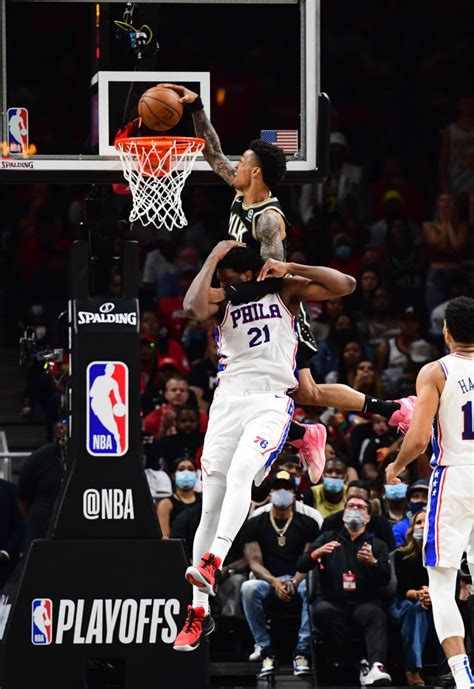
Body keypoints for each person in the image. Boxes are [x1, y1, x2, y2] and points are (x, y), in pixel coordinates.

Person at [160, 83, 413, 459]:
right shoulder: (240, 191)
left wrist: (224, 296)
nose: (237, 165)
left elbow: (274, 278)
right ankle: (381, 413)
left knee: (266, 386)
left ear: (257, 173)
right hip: (247, 302)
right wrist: (197, 109)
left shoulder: (268, 221)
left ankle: (354, 420)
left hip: (273, 307)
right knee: (305, 391)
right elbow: (212, 152)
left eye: (244, 162)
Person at [172, 241, 355, 651]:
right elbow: (192, 307)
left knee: (242, 473)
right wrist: (212, 256)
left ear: (252, 275)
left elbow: (346, 284)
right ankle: (198, 611)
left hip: (271, 398)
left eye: (229, 280)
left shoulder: (286, 291)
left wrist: (290, 264)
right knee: (211, 503)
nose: (223, 287)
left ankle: (212, 561)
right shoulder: (222, 299)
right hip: (227, 400)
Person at [386, 296, 474, 689]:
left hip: (455, 475)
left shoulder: (435, 371)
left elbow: (420, 439)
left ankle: (462, 676)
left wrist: (395, 466)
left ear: (446, 331)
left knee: (441, 585)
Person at [296, 495, 392, 686]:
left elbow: (385, 579)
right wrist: (316, 553)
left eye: (361, 507)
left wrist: (373, 563)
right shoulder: (327, 538)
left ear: (368, 518)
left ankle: (377, 666)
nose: (355, 510)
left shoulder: (377, 545)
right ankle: (361, 663)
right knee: (322, 611)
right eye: (351, 506)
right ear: (343, 513)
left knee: (376, 613)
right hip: (333, 601)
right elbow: (301, 564)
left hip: (364, 602)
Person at [240, 470, 319, 678]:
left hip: (298, 578)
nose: (281, 492)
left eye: (287, 488)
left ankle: (302, 652)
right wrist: (274, 581)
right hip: (268, 580)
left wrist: (293, 581)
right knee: (248, 588)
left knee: (311, 588)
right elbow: (254, 562)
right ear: (270, 492)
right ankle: (266, 650)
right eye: (277, 488)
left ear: (294, 493)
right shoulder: (255, 523)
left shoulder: (307, 522)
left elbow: (308, 559)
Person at [390, 510, 445, 686]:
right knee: (415, 609)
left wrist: (432, 595)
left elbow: (447, 584)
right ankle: (413, 669)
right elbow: (402, 589)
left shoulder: (442, 555)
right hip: (405, 602)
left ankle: (446, 670)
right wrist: (420, 594)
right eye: (419, 523)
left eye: (427, 522)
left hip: (436, 600)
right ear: (412, 528)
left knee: (450, 610)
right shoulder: (401, 555)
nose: (423, 526)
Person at [321, 480, 395, 551]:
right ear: (345, 500)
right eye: (351, 498)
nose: (355, 504)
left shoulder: (381, 524)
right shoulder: (330, 522)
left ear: (368, 503)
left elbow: (389, 553)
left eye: (361, 499)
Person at [157, 458, 201, 539]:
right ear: (173, 475)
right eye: (181, 469)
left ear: (196, 474)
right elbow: (165, 537)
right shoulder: (166, 504)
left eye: (191, 469)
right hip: (178, 548)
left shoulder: (203, 500)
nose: (186, 473)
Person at [392, 480, 429, 548]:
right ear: (409, 503)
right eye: (415, 497)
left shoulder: (438, 524)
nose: (420, 500)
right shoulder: (399, 528)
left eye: (425, 497)